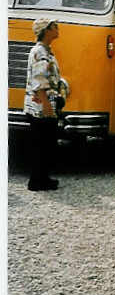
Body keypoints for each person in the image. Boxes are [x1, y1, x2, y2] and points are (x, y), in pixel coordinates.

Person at [25, 18, 64, 191]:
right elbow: (39, 79)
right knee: (41, 143)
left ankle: (43, 177)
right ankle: (37, 181)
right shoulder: (40, 52)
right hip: (40, 106)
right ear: (46, 31)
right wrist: (47, 105)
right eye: (54, 27)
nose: (57, 29)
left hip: (45, 104)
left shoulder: (46, 51)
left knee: (46, 143)